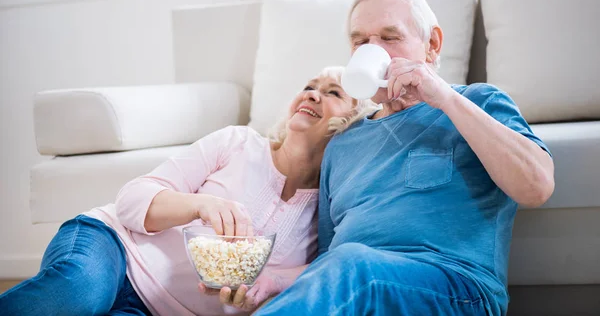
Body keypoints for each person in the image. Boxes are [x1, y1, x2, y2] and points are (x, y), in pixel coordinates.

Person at [255, 0, 555, 316]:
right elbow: (327, 265)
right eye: (360, 42)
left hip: (457, 291)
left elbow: (537, 186)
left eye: (390, 37)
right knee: (348, 266)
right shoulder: (342, 144)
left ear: (431, 45)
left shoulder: (477, 102)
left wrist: (443, 97)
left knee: (355, 265)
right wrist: (277, 283)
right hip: (360, 287)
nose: (373, 50)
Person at [0, 66, 376, 316]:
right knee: (79, 291)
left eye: (332, 93)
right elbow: (131, 198)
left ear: (352, 123)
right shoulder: (238, 143)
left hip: (157, 310)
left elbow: (323, 269)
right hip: (114, 246)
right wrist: (200, 205)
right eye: (309, 86)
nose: (311, 94)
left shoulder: (328, 207)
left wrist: (257, 292)